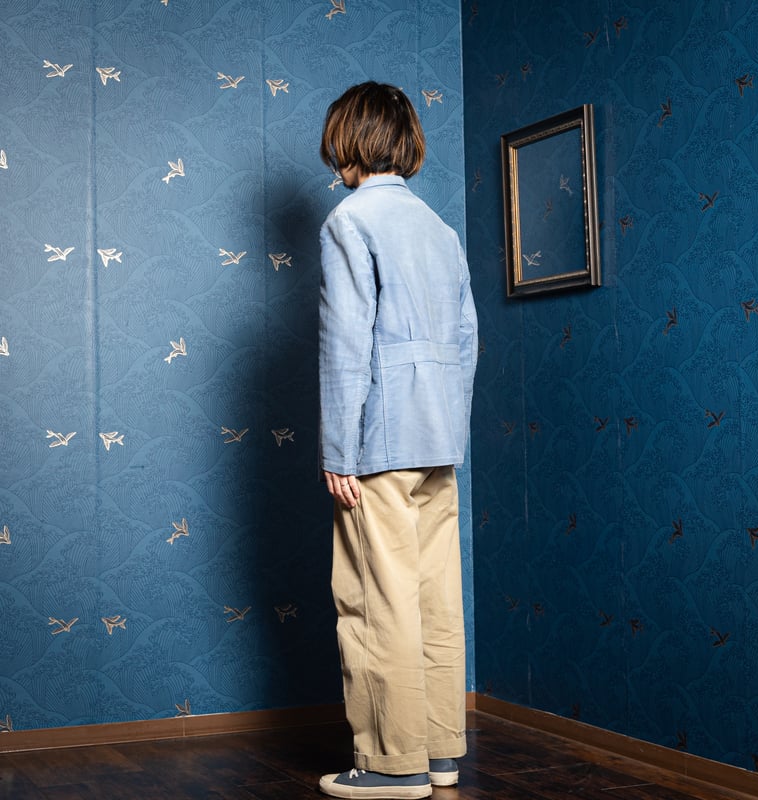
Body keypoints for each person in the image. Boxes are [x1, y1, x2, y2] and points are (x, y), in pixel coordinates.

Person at [316, 81, 479, 800]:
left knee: (375, 599)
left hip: (379, 442)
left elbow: (345, 345)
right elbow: (468, 340)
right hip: (438, 439)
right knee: (436, 598)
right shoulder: (439, 228)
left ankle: (391, 763)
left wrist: (338, 451)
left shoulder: (350, 221)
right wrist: (451, 432)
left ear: (347, 140)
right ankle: (440, 753)